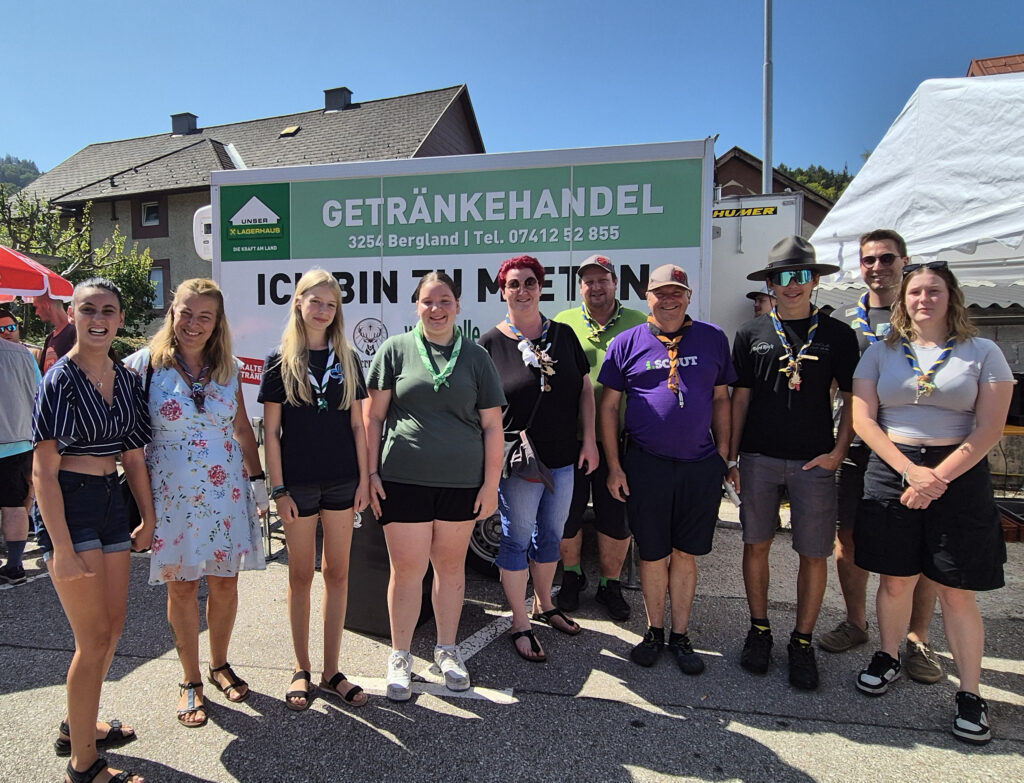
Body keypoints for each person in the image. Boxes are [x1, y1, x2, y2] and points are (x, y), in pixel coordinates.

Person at [851, 261, 1012, 745]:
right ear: (903, 300)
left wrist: (934, 478)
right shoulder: (882, 353)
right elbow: (863, 420)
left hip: (957, 474)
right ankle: (887, 654)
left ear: (951, 297)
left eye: (933, 290)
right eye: (915, 291)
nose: (924, 299)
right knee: (895, 580)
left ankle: (970, 691)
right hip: (894, 467)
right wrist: (910, 471)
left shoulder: (983, 353)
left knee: (955, 588)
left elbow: (989, 428)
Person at [124, 278, 267, 729]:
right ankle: (190, 680)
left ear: (217, 323)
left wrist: (261, 486)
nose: (193, 323)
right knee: (182, 588)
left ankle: (219, 664)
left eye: (205, 316)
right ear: (172, 311)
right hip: (172, 500)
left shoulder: (228, 367)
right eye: (186, 312)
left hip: (225, 496)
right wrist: (142, 512)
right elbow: (127, 443)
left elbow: (243, 429)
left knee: (225, 585)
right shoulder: (142, 365)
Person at [32, 278, 153, 783]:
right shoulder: (59, 378)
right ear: (73, 316)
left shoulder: (125, 379)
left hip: (112, 503)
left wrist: (149, 515)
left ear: (120, 319)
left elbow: (133, 455)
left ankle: (77, 725)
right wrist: (59, 546)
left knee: (114, 628)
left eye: (108, 310)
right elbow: (42, 468)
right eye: (88, 310)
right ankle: (83, 764)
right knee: (93, 636)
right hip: (71, 503)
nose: (98, 318)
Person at [366, 271, 505, 699]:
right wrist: (370, 474)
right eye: (428, 301)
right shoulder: (395, 349)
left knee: (449, 569)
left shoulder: (477, 357)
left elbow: (492, 427)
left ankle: (447, 649)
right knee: (407, 571)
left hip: (461, 483)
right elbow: (373, 418)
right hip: (402, 479)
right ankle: (401, 655)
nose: (436, 308)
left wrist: (490, 485)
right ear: (417, 306)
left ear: (457, 306)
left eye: (444, 300)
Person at [729, 236, 859, 691]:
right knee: (756, 544)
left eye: (801, 276)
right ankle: (760, 629)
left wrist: (839, 453)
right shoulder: (751, 334)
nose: (792, 285)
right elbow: (738, 400)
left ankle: (801, 641)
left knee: (813, 553)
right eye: (783, 276)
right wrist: (733, 455)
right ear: (770, 282)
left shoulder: (838, 336)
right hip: (759, 458)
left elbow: (853, 400)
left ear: (815, 281)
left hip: (814, 462)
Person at [821, 229, 942, 686]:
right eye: (869, 260)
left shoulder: (925, 315)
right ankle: (856, 622)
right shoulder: (845, 324)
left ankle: (916, 638)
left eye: (887, 259)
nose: (878, 267)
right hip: (856, 445)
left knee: (919, 546)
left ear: (904, 261)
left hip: (917, 445)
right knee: (847, 539)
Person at [599, 264, 735, 674]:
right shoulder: (626, 342)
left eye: (677, 291)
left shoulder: (712, 338)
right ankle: (654, 630)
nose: (669, 299)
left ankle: (681, 634)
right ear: (647, 297)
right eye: (661, 292)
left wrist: (725, 458)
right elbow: (607, 407)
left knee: (685, 554)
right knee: (652, 553)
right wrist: (614, 467)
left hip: (699, 465)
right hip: (646, 464)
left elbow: (723, 400)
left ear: (689, 295)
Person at [259, 270, 370, 710]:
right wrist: (278, 488)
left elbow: (359, 426)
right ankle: (301, 668)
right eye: (316, 301)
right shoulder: (277, 360)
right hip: (298, 485)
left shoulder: (349, 358)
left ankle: (332, 670)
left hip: (343, 481)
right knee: (300, 576)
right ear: (299, 302)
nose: (323, 310)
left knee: (338, 575)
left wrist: (364, 479)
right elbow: (270, 433)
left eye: (331, 303)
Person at [479, 255, 598, 663]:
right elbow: (482, 410)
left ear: (541, 287)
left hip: (564, 456)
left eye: (530, 282)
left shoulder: (563, 335)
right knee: (515, 538)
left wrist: (591, 441)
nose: (522, 290)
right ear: (502, 290)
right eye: (514, 284)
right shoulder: (489, 344)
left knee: (551, 535)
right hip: (520, 462)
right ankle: (519, 621)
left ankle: (544, 604)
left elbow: (584, 390)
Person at [553, 254, 647, 621]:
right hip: (570, 439)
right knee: (568, 515)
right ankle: (572, 577)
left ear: (615, 284)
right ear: (580, 287)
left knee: (615, 517)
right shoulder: (563, 322)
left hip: (621, 441)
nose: (595, 287)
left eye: (602, 280)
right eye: (588, 281)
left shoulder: (640, 322)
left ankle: (611, 584)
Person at [0, 309, 41, 586]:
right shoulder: (25, 354)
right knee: (15, 505)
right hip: (19, 442)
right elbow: (40, 395)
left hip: (16, 442)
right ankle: (14, 566)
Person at [34, 290, 75, 373]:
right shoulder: (49, 338)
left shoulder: (76, 333)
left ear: (46, 305)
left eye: (36, 307)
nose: (36, 313)